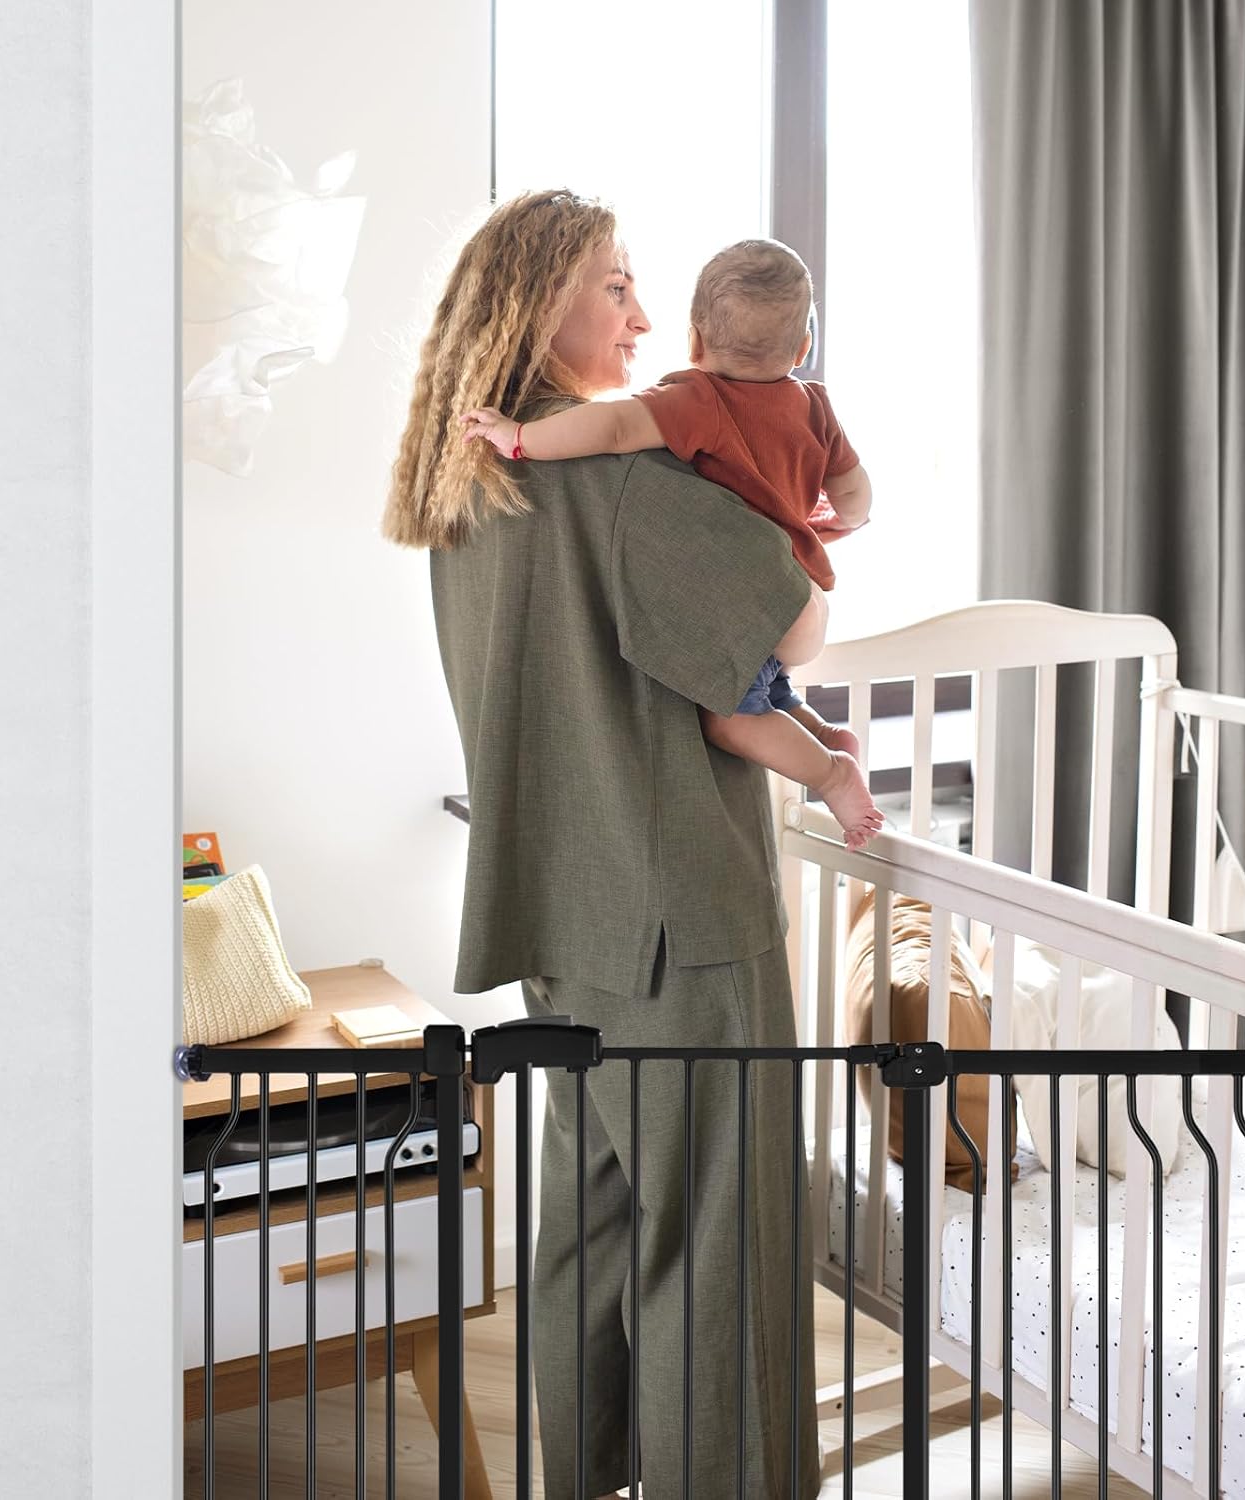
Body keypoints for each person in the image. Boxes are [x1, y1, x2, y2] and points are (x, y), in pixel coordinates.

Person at [383, 190, 820, 1500]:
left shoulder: (469, 483)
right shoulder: (620, 482)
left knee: (592, 1221)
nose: (641, 318)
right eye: (616, 287)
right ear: (538, 307)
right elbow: (788, 629)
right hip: (681, 918)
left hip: (560, 922)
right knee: (718, 1242)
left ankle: (586, 1474)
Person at [459, 237, 884, 851]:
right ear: (802, 348)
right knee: (768, 692)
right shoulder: (815, 405)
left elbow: (612, 427)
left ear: (695, 340)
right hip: (797, 591)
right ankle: (824, 733)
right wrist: (842, 523)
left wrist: (520, 437)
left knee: (730, 720)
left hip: (749, 606)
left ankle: (832, 773)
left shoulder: (698, 399)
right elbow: (854, 493)